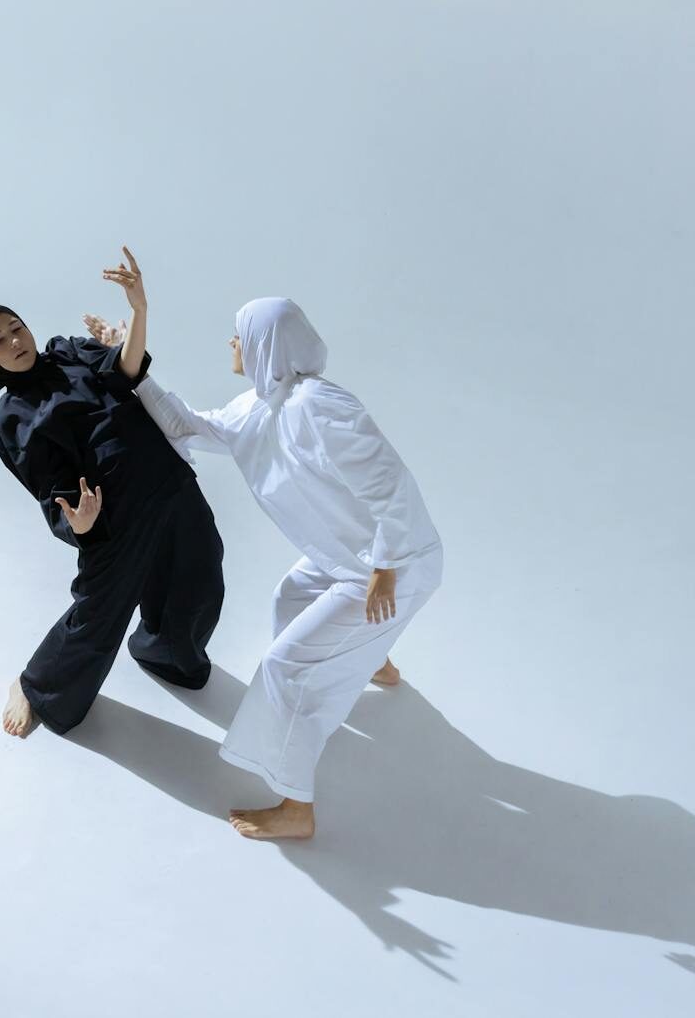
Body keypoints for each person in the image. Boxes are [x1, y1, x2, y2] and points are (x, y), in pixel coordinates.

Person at [88, 289, 442, 840]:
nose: (233, 342)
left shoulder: (318, 405)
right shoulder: (257, 409)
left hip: (391, 565)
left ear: (265, 344)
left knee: (285, 667)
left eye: (240, 333)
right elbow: (187, 427)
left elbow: (388, 481)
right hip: (347, 560)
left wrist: (387, 563)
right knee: (290, 597)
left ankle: (296, 805)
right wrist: (131, 368)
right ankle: (376, 661)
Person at [0, 248, 225, 738]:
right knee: (97, 617)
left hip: (166, 483)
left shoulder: (69, 350)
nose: (14, 340)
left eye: (16, 327)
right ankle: (33, 686)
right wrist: (78, 522)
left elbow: (126, 371)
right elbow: (49, 489)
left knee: (201, 570)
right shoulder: (13, 417)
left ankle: (164, 651)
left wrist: (139, 310)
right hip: (112, 518)